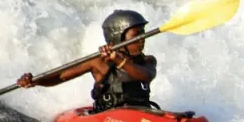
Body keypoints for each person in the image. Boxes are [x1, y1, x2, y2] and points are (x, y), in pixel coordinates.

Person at [17, 10, 158, 112]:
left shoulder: (147, 61)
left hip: (140, 115)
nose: (142, 39)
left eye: (143, 34)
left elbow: (145, 75)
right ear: (117, 38)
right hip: (109, 118)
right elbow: (60, 76)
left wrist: (119, 60)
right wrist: (35, 81)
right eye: (136, 35)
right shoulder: (98, 62)